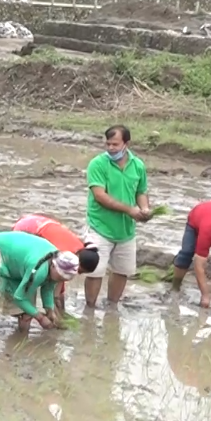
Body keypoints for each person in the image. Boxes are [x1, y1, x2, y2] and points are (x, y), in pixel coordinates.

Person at [84, 125, 151, 306]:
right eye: (108, 144)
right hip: (100, 226)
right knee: (95, 271)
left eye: (115, 144)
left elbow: (141, 191)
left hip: (126, 230)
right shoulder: (98, 164)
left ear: (126, 144)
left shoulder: (138, 165)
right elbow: (100, 196)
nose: (111, 148)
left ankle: (112, 306)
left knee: (122, 271)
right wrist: (130, 210)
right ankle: (89, 308)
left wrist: (144, 208)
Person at [0, 230, 81, 336]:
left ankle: (21, 339)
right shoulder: (39, 270)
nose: (59, 280)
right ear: (53, 266)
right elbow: (19, 297)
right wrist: (40, 318)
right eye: (59, 276)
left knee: (27, 310)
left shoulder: (54, 262)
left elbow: (48, 288)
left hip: (17, 261)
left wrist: (50, 311)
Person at [12, 213, 100, 315]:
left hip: (36, 222)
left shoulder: (79, 250)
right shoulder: (64, 253)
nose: (78, 273)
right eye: (80, 270)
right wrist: (57, 308)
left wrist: (60, 306)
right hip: (26, 229)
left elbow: (59, 282)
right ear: (78, 260)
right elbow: (56, 287)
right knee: (31, 276)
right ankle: (21, 310)